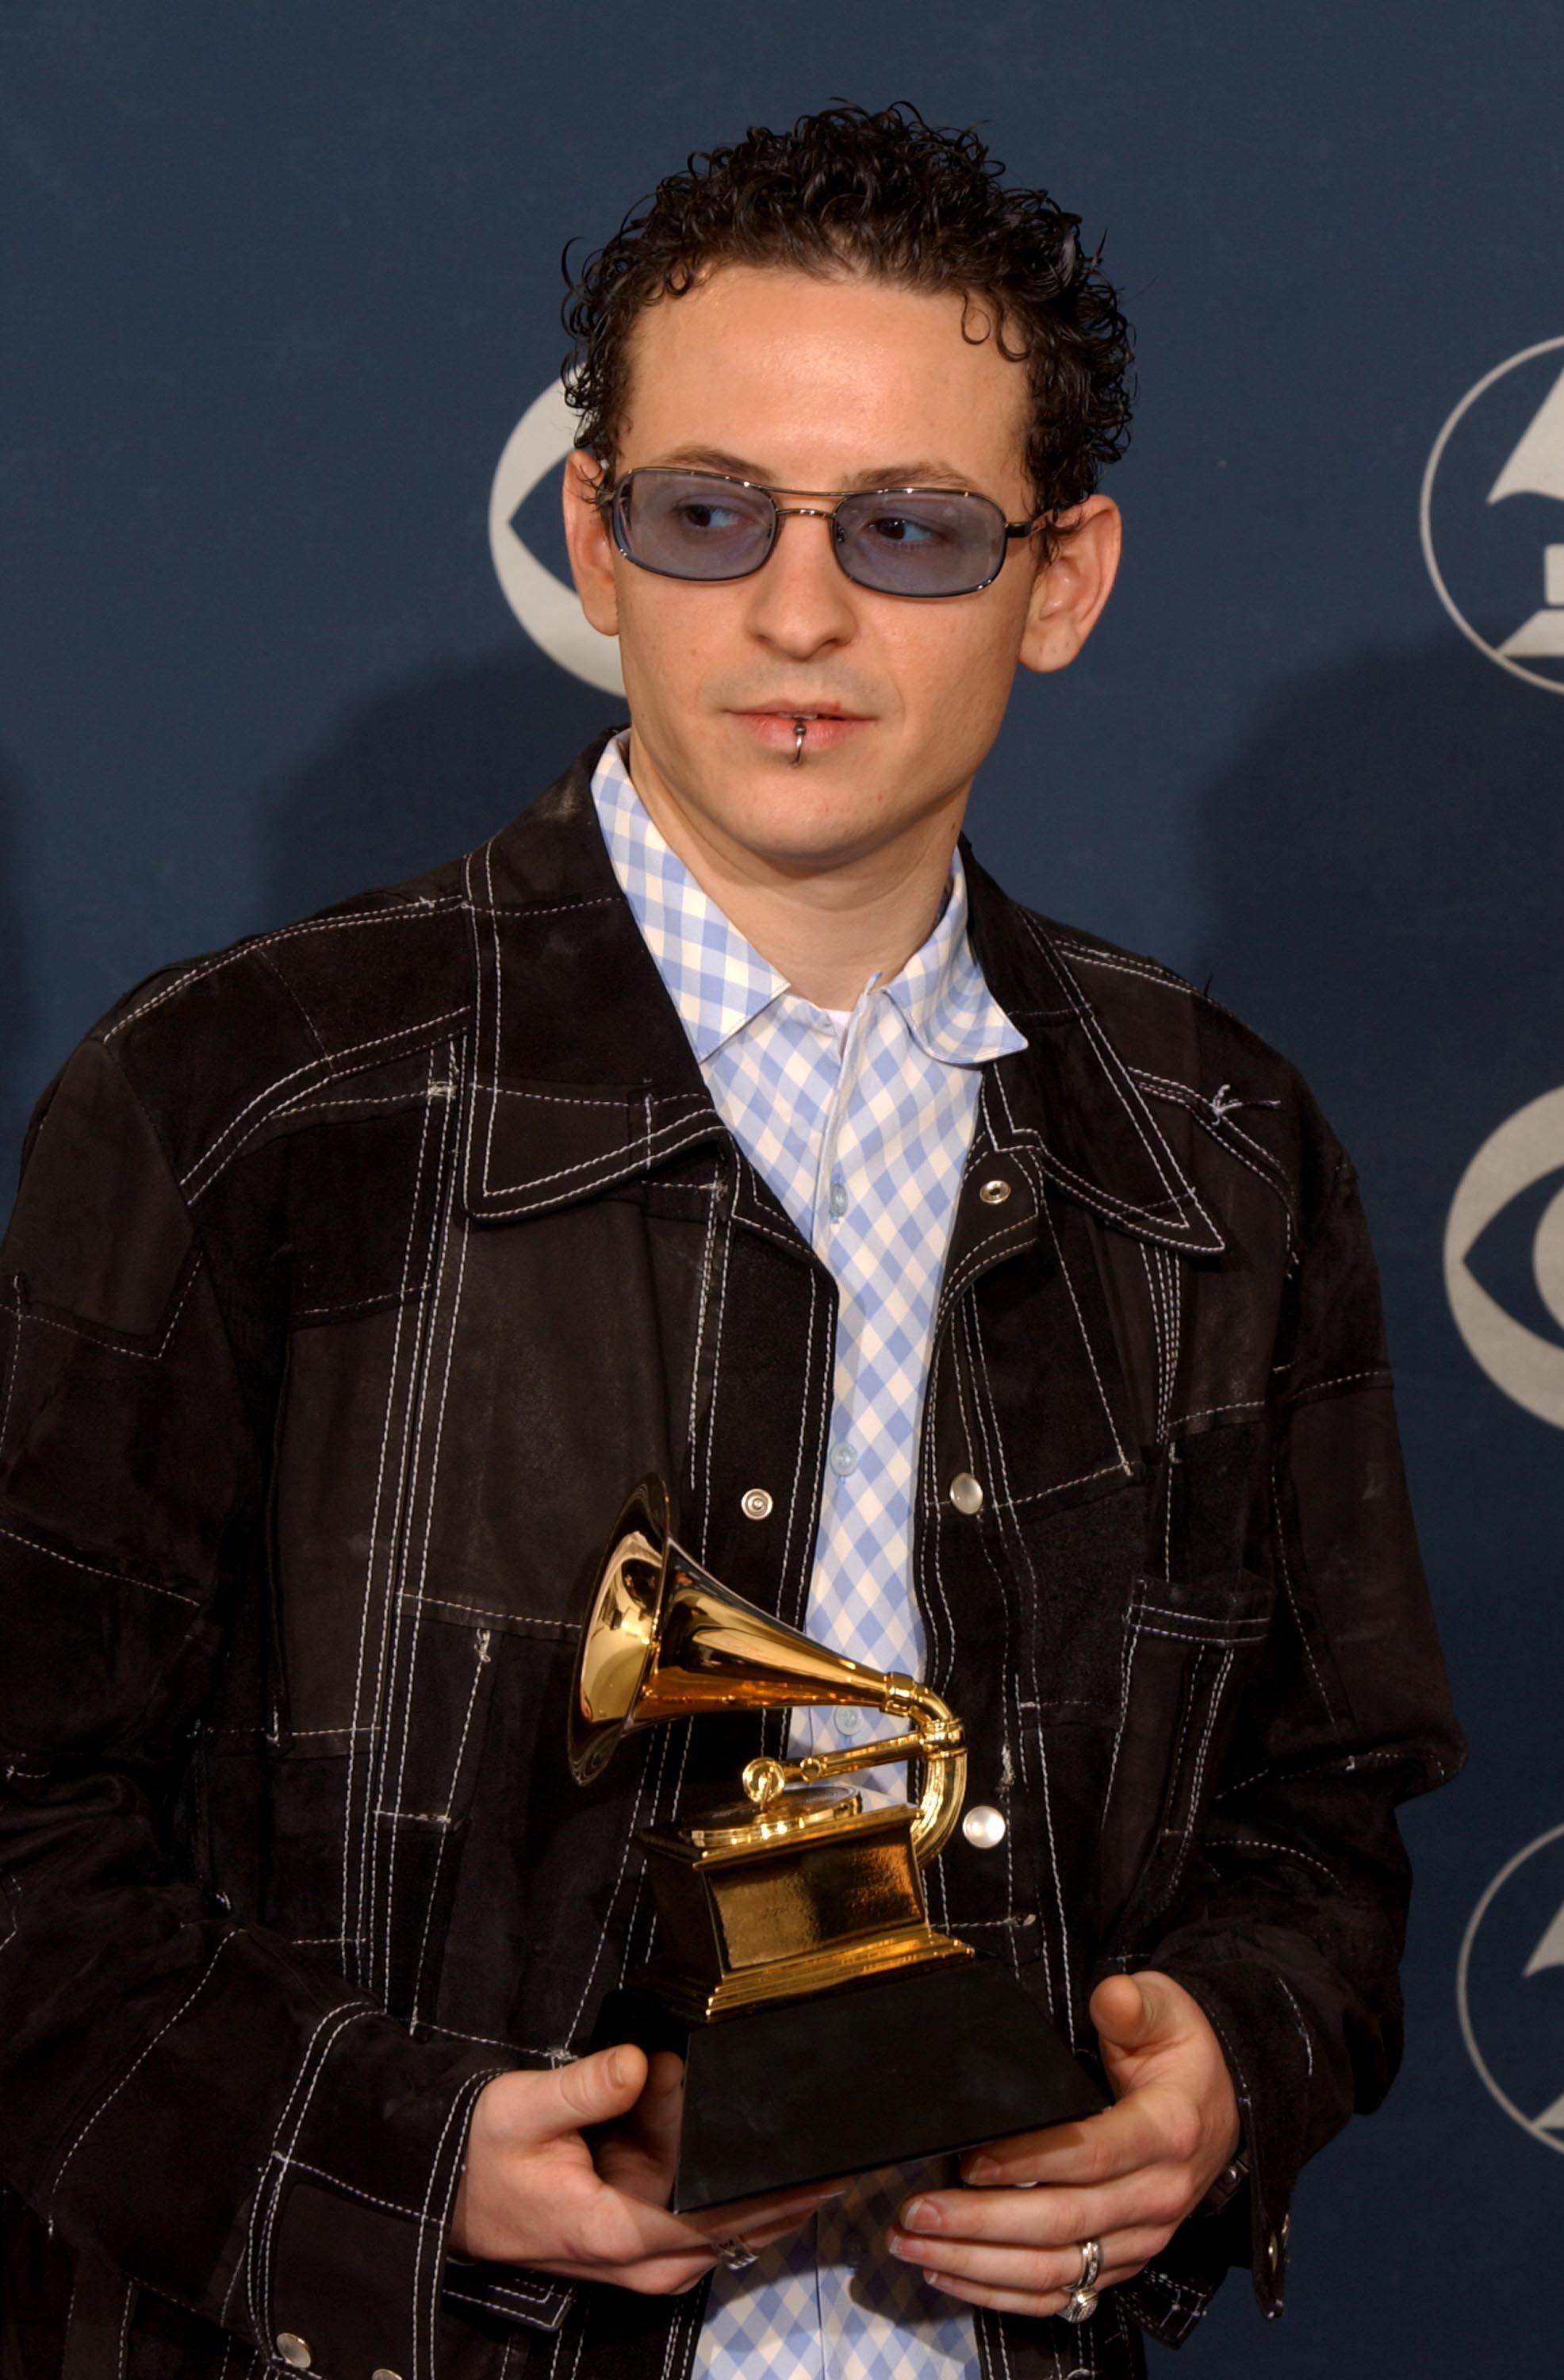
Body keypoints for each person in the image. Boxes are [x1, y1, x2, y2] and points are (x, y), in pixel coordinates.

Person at [0, 102, 1462, 2380]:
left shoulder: (1219, 1147)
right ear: (593, 541)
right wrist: (392, 2157)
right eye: (710, 517)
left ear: (1057, 580)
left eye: (907, 530)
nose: (796, 611)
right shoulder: (241, 1101)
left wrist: (1223, 2074)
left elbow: (1322, 1818)